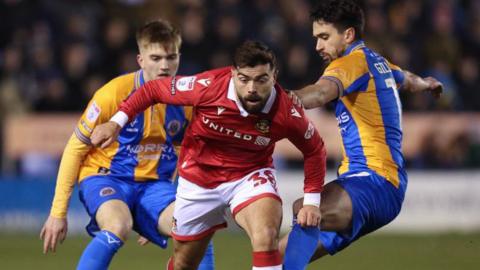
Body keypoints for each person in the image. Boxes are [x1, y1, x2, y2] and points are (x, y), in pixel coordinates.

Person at [90, 40, 327, 270]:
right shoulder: (208, 86)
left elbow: (314, 149)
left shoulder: (286, 110)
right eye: (244, 79)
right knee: (185, 263)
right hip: (198, 179)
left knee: (266, 234)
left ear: (274, 76)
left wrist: (312, 203)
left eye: (261, 80)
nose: (252, 88)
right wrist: (115, 123)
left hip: (249, 176)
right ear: (233, 73)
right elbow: (152, 90)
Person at [280, 0, 444, 269]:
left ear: (348, 35)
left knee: (305, 208)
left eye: (324, 37)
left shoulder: (349, 64)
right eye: (316, 38)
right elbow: (408, 79)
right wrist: (428, 84)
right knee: (277, 257)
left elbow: (320, 93)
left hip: (371, 183)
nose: (318, 46)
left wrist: (278, 100)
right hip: (379, 186)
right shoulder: (379, 63)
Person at [39, 19, 214, 270]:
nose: (164, 65)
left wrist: (154, 213)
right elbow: (75, 148)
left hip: (153, 186)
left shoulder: (186, 100)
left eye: (170, 57)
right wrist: (58, 213)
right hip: (106, 177)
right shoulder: (112, 94)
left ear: (179, 57)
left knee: (198, 227)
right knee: (118, 226)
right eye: (155, 58)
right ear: (140, 60)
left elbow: (179, 150)